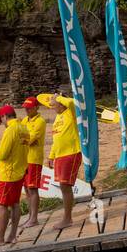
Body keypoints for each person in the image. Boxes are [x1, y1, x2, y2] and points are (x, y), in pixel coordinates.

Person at [40, 92, 82, 230]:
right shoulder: (58, 117)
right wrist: (51, 156)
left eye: (54, 103)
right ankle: (67, 217)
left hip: (71, 152)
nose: (52, 106)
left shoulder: (70, 112)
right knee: (63, 186)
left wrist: (57, 97)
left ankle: (67, 218)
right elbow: (56, 139)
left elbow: (71, 102)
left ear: (60, 101)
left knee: (65, 185)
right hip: (60, 155)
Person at [0, 104, 28, 247]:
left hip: (8, 174)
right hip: (20, 171)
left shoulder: (10, 130)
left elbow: (3, 155)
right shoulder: (24, 128)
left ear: (5, 117)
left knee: (2, 205)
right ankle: (12, 235)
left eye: (1, 120)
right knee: (15, 204)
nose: (2, 123)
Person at [20, 96, 47, 229]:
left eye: (29, 108)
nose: (27, 110)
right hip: (24, 158)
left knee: (33, 188)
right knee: (26, 188)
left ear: (36, 108)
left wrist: (25, 138)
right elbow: (21, 136)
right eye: (26, 108)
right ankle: (30, 216)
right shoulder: (25, 120)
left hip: (34, 159)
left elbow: (29, 139)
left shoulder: (40, 121)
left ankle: (34, 218)